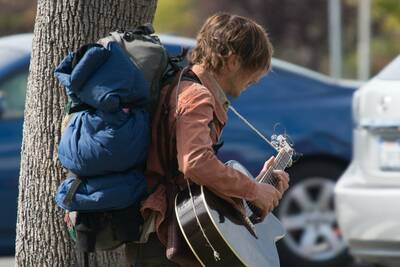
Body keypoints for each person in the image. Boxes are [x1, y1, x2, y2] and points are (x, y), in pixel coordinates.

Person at [126, 12, 290, 267]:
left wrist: (257, 185)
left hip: (173, 230)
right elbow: (194, 163)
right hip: (164, 238)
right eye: (254, 70)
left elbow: (195, 177)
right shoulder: (198, 96)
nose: (256, 80)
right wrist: (253, 189)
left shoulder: (188, 85)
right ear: (233, 61)